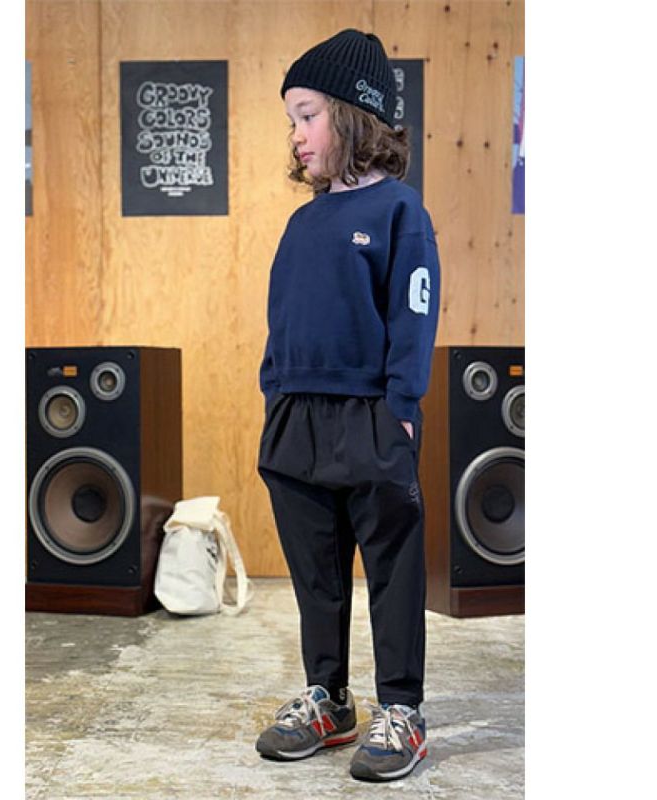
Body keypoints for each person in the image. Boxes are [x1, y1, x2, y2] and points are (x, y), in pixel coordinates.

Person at [255, 29, 441, 783]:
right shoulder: (303, 221)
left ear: (354, 115)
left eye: (307, 117)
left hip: (370, 414)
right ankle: (328, 698)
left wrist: (402, 403)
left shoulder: (399, 211)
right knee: (316, 571)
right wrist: (274, 392)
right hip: (296, 417)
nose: (297, 136)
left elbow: (414, 311)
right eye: (292, 121)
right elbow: (283, 316)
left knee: (391, 568)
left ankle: (402, 708)